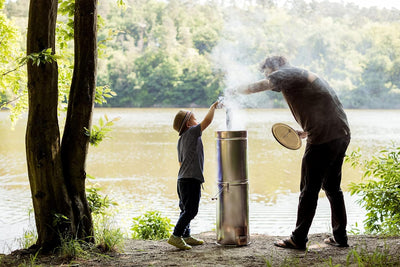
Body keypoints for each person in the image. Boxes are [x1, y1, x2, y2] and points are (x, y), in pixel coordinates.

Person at [236, 55, 351, 249]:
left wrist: (234, 90)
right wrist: (306, 131)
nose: (271, 81)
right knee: (332, 188)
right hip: (340, 134)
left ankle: (298, 239)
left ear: (273, 68)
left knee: (308, 189)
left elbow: (262, 84)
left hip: (323, 139)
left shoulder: (286, 73)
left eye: (267, 72)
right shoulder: (300, 75)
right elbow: (324, 107)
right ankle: (340, 237)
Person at [168, 101, 220, 250]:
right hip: (191, 179)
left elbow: (180, 162)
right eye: (194, 118)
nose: (197, 120)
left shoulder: (181, 140)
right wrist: (213, 107)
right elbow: (208, 121)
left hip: (182, 180)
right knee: (191, 210)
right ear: (188, 125)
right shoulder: (192, 132)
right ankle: (176, 236)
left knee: (185, 209)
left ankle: (186, 235)